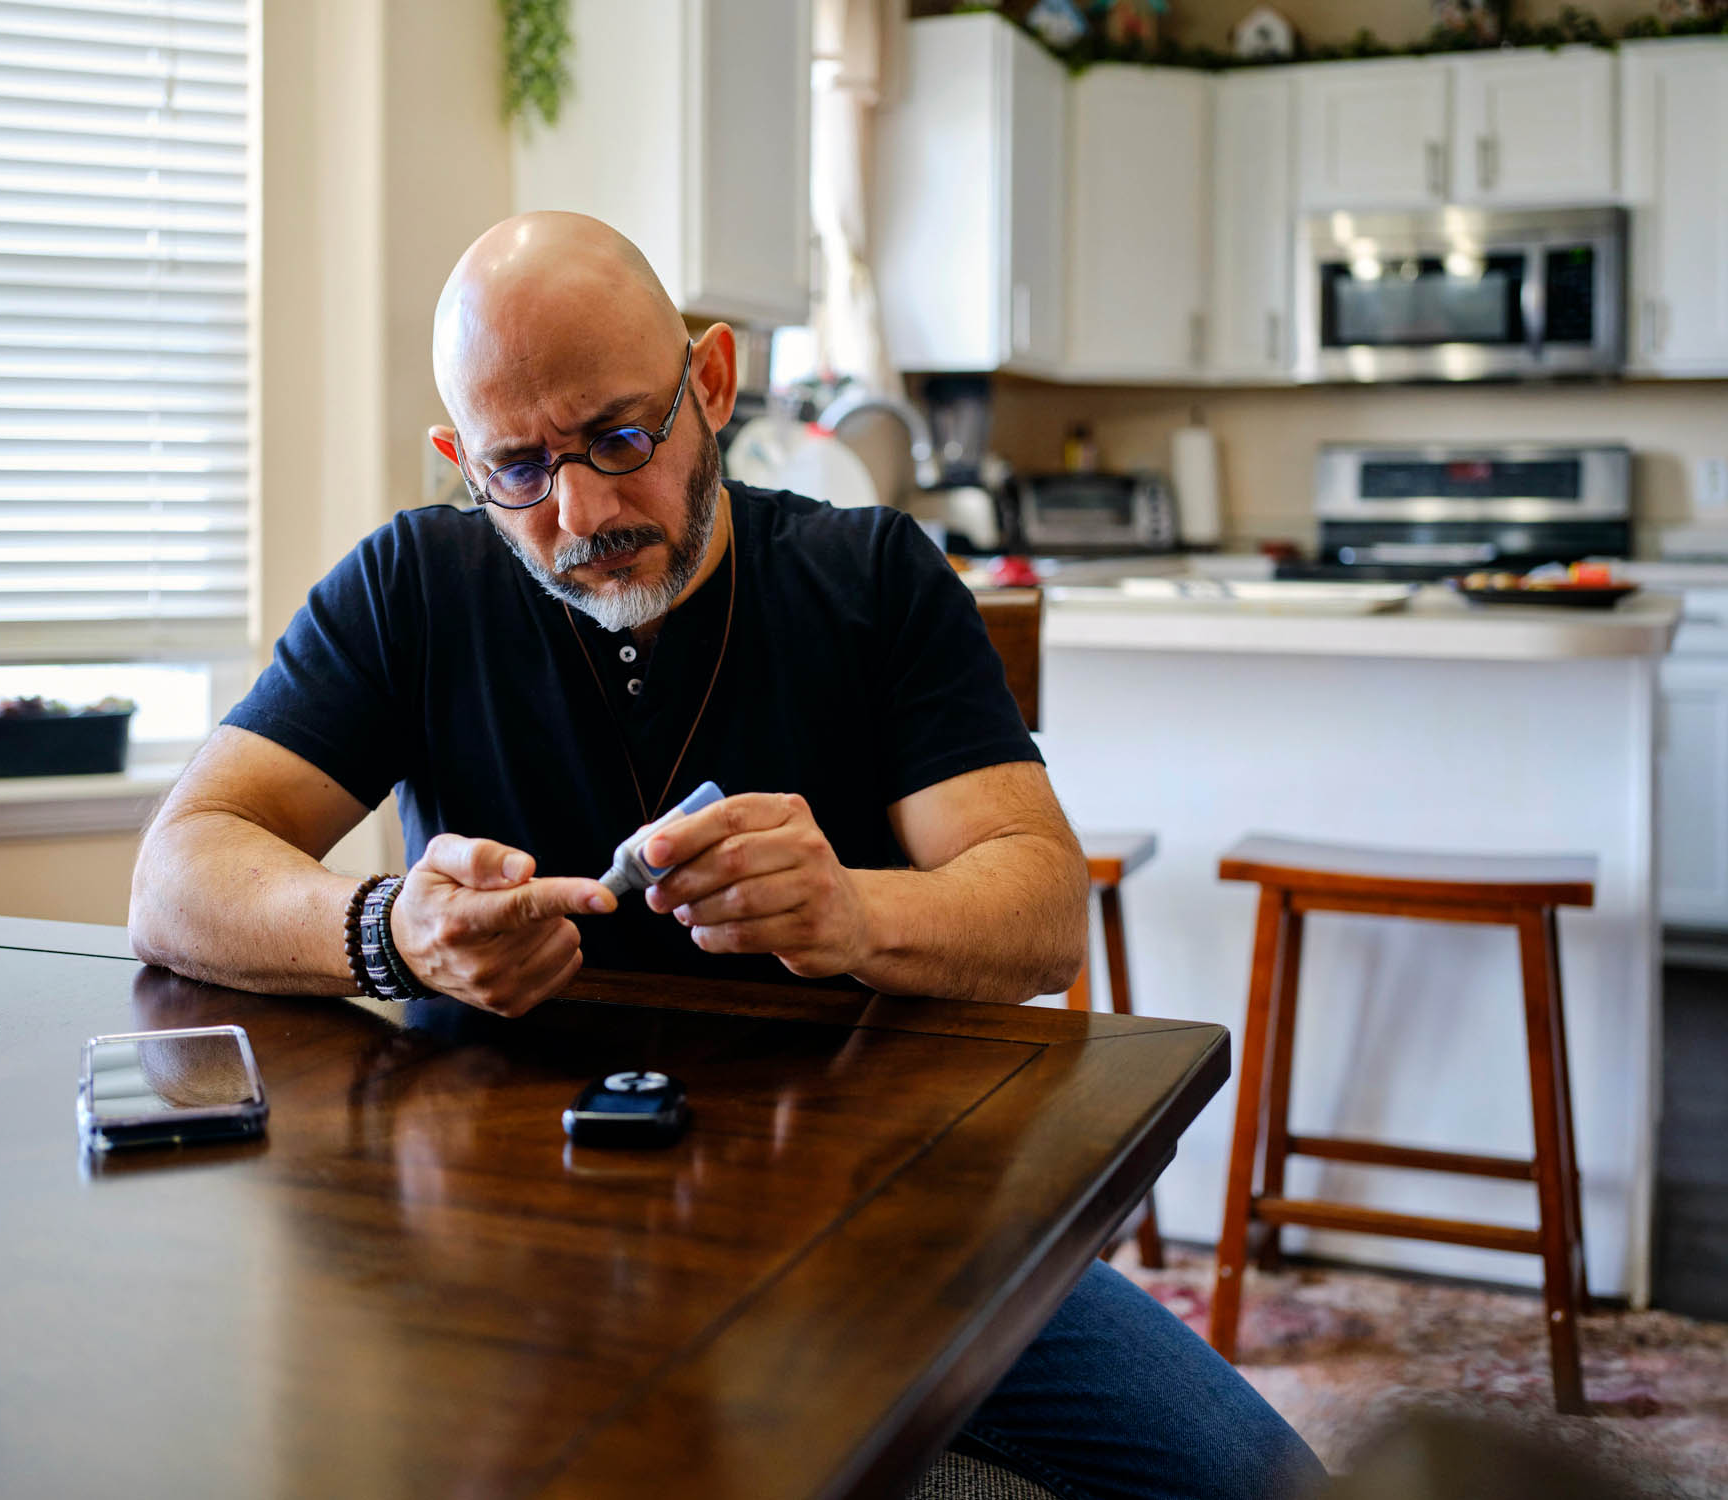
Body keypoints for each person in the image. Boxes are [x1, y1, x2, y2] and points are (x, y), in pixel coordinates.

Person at [129, 211, 1324, 1500]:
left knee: (1261, 1483)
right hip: (498, 1226)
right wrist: (390, 930)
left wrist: (854, 915)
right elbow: (180, 868)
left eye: (619, 439)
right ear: (457, 459)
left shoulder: (870, 580)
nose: (580, 511)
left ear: (711, 383)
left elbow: (1040, 915)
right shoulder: (411, 587)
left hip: (876, 1214)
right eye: (519, 470)